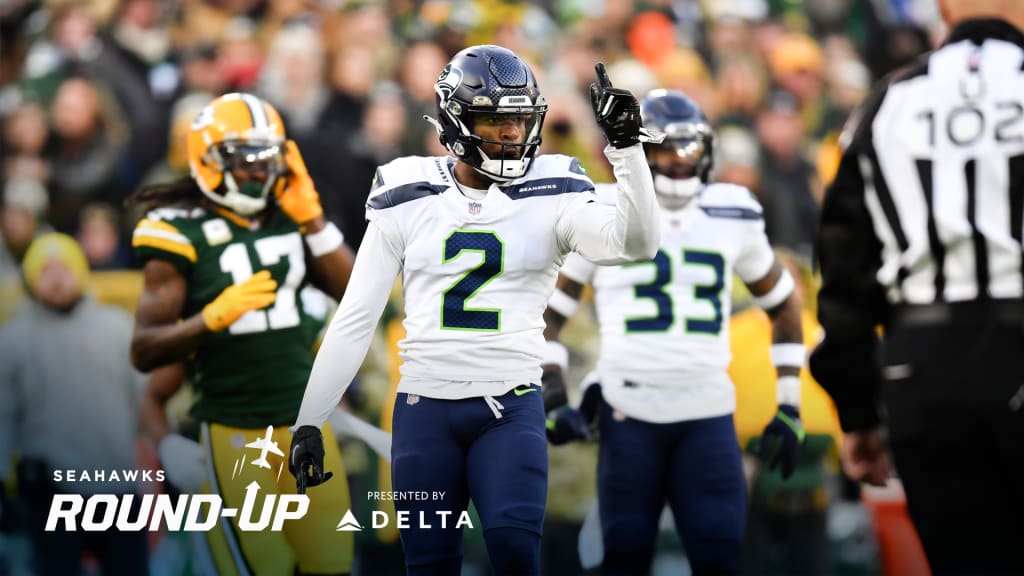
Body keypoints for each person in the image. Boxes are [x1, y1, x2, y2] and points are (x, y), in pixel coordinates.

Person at [288, 44, 660, 575]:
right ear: (455, 119)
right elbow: (355, 317)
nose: (512, 134)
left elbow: (636, 244)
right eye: (495, 120)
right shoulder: (406, 189)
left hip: (510, 406)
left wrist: (627, 152)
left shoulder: (556, 186)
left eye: (520, 120)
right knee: (429, 566)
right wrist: (310, 421)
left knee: (513, 552)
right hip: (424, 409)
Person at [542, 90, 807, 575]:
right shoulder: (604, 208)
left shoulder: (733, 211)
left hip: (707, 413)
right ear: (641, 152)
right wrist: (555, 396)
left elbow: (784, 303)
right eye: (665, 150)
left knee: (721, 559)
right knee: (624, 561)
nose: (679, 163)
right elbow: (547, 315)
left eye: (689, 150)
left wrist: (790, 403)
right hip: (628, 412)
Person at [808, 1, 1024, 574]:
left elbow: (842, 268)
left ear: (947, 8)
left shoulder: (885, 103)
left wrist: (856, 411)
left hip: (924, 374)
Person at [127, 92, 356, 576]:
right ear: (206, 159)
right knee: (262, 570)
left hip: (306, 427)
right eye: (244, 161)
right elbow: (144, 350)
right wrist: (210, 318)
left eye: (266, 160)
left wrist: (313, 219)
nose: (258, 173)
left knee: (332, 564)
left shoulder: (292, 213)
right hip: (235, 431)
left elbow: (360, 297)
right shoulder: (176, 229)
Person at [0, 233, 149, 576]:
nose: (56, 279)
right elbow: (4, 417)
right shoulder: (13, 340)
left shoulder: (117, 327)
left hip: (118, 486)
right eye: (45, 270)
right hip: (52, 490)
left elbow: (146, 399)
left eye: (63, 268)